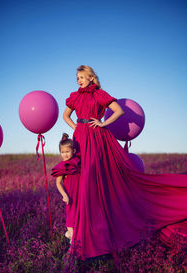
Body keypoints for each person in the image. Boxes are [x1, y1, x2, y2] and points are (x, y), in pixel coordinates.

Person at [63, 65, 187, 260]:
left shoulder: (99, 94)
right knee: (81, 181)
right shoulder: (75, 96)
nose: (78, 80)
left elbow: (118, 111)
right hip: (80, 138)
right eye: (76, 77)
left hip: (96, 139)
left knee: (94, 179)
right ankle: (83, 231)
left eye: (81, 77)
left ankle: (97, 232)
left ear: (90, 77)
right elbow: (66, 116)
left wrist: (102, 124)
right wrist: (78, 127)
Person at [51, 133, 81, 242]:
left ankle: (71, 235)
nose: (65, 155)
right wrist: (64, 195)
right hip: (71, 197)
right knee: (71, 218)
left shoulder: (78, 162)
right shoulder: (63, 167)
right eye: (62, 152)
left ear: (73, 151)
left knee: (81, 219)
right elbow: (58, 183)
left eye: (67, 152)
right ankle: (72, 243)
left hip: (81, 196)